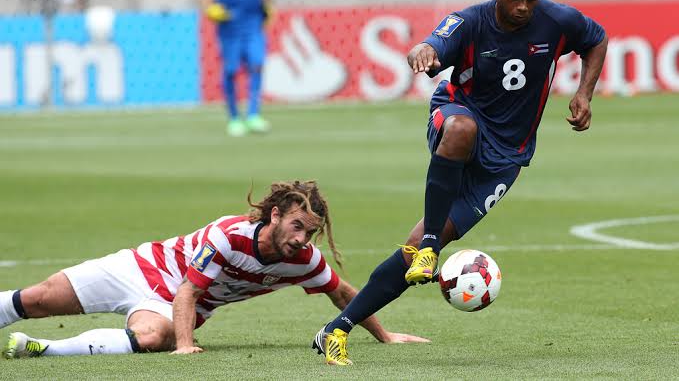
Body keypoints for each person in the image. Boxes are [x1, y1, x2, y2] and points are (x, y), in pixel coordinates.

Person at [312, 0, 608, 365]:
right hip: (456, 116)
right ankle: (433, 246)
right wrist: (423, 51)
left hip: (506, 158)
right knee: (461, 131)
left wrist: (584, 93)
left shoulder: (558, 21)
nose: (523, 6)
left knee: (410, 249)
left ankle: (335, 330)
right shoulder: (470, 22)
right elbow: (433, 41)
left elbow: (596, 39)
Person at [1, 180, 428, 358]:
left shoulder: (302, 260)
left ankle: (41, 348)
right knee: (36, 299)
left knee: (155, 336)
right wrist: (186, 346)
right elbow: (188, 289)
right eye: (297, 226)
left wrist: (385, 336)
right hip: (138, 269)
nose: (302, 239)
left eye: (310, 232)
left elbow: (343, 295)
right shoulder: (230, 234)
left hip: (170, 306)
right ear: (276, 215)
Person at [202, 0, 273, 137]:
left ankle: (253, 114)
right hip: (229, 25)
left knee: (257, 64)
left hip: (253, 22)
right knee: (231, 70)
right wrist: (210, 9)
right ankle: (234, 117)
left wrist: (269, 7)